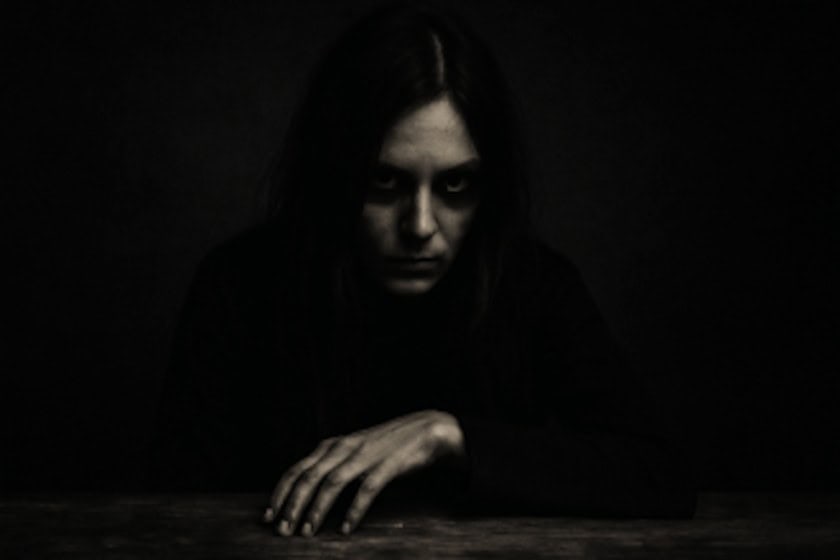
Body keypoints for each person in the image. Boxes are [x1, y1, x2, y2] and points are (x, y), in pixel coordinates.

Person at [149, 3, 696, 537]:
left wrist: (447, 436)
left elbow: (661, 474)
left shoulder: (535, 285)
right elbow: (176, 509)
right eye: (384, 182)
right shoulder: (240, 286)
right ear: (334, 172)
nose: (420, 225)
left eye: (455, 186)